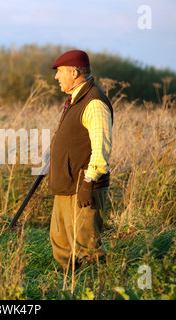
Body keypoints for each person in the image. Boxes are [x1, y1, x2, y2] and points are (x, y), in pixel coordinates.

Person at [48, 50, 113, 272]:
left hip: (83, 185)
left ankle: (99, 284)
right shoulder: (77, 99)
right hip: (67, 183)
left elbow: (101, 148)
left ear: (74, 72)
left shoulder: (94, 102)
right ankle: (68, 285)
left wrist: (89, 182)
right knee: (61, 240)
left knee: (86, 242)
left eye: (60, 73)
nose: (57, 77)